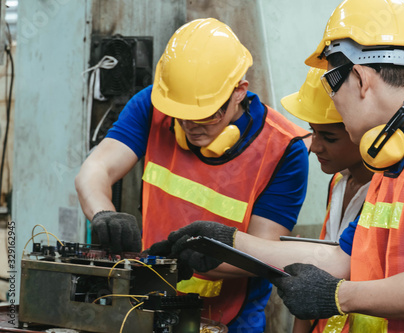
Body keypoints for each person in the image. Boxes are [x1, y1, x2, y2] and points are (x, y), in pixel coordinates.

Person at [151, 1, 404, 332]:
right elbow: (343, 259)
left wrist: (339, 296)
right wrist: (227, 243)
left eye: (332, 91)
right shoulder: (392, 157)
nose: (334, 106)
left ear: (361, 79)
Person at [75, 18, 311, 332]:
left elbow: (261, 253)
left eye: (206, 115)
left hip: (229, 320)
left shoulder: (284, 150)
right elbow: (95, 169)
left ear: (239, 91)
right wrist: (103, 213)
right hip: (146, 305)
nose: (190, 126)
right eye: (181, 116)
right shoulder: (154, 105)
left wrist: (192, 256)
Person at [281, 67, 372, 333]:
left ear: (362, 132)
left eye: (329, 137)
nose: (315, 146)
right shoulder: (337, 184)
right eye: (314, 132)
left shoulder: (387, 191)